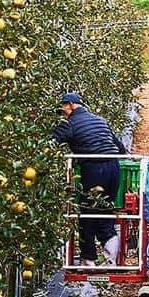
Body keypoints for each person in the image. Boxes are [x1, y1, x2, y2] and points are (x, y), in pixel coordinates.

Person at [53, 92, 125, 267]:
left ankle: (89, 260)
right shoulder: (100, 120)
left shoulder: (69, 123)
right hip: (114, 169)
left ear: (70, 105)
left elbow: (51, 142)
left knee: (86, 214)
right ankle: (111, 259)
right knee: (105, 212)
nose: (62, 112)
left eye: (63, 108)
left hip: (93, 169)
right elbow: (121, 149)